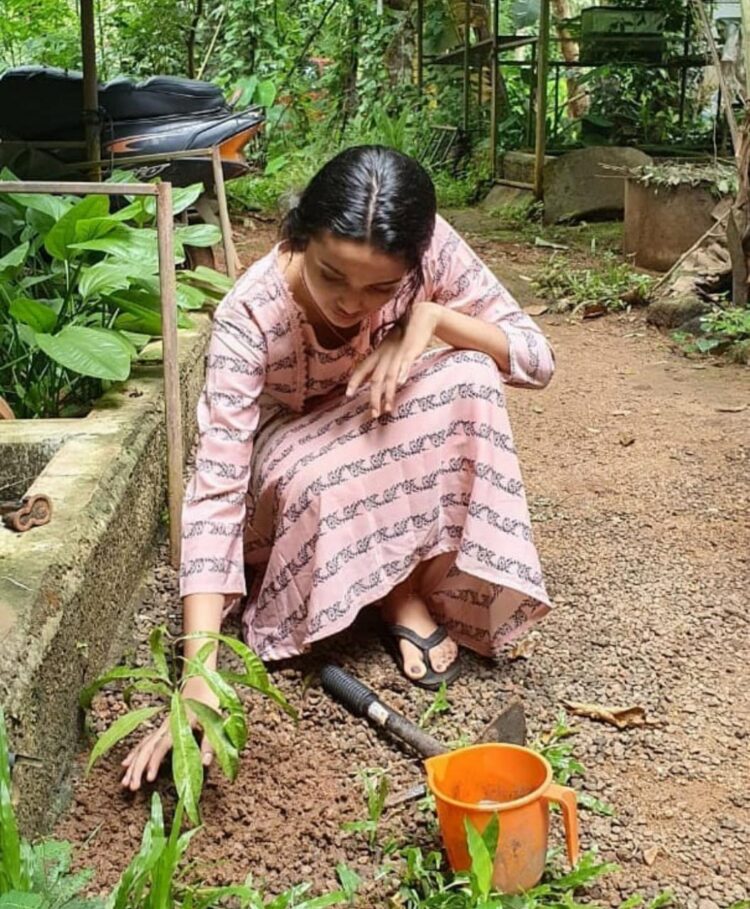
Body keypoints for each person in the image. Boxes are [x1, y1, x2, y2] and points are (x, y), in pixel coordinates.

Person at [121, 145, 555, 790]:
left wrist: (430, 318)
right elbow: (215, 491)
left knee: (468, 375)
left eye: (382, 287)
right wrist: (199, 675)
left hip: (369, 425)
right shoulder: (250, 315)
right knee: (325, 476)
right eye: (331, 277)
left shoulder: (430, 251)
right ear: (299, 237)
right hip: (286, 468)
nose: (354, 305)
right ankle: (386, 594)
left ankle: (399, 587)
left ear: (415, 257)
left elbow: (536, 360)